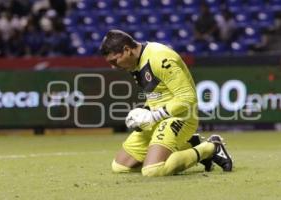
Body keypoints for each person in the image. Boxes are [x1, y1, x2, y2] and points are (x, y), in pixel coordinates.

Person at [99, 29, 233, 177]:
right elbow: (156, 93)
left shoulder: (160, 58)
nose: (113, 66)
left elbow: (187, 97)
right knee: (120, 167)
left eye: (114, 61)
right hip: (157, 117)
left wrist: (154, 116)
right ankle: (190, 143)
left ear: (127, 50)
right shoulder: (134, 63)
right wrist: (144, 112)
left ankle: (211, 148)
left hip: (181, 117)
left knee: (152, 170)